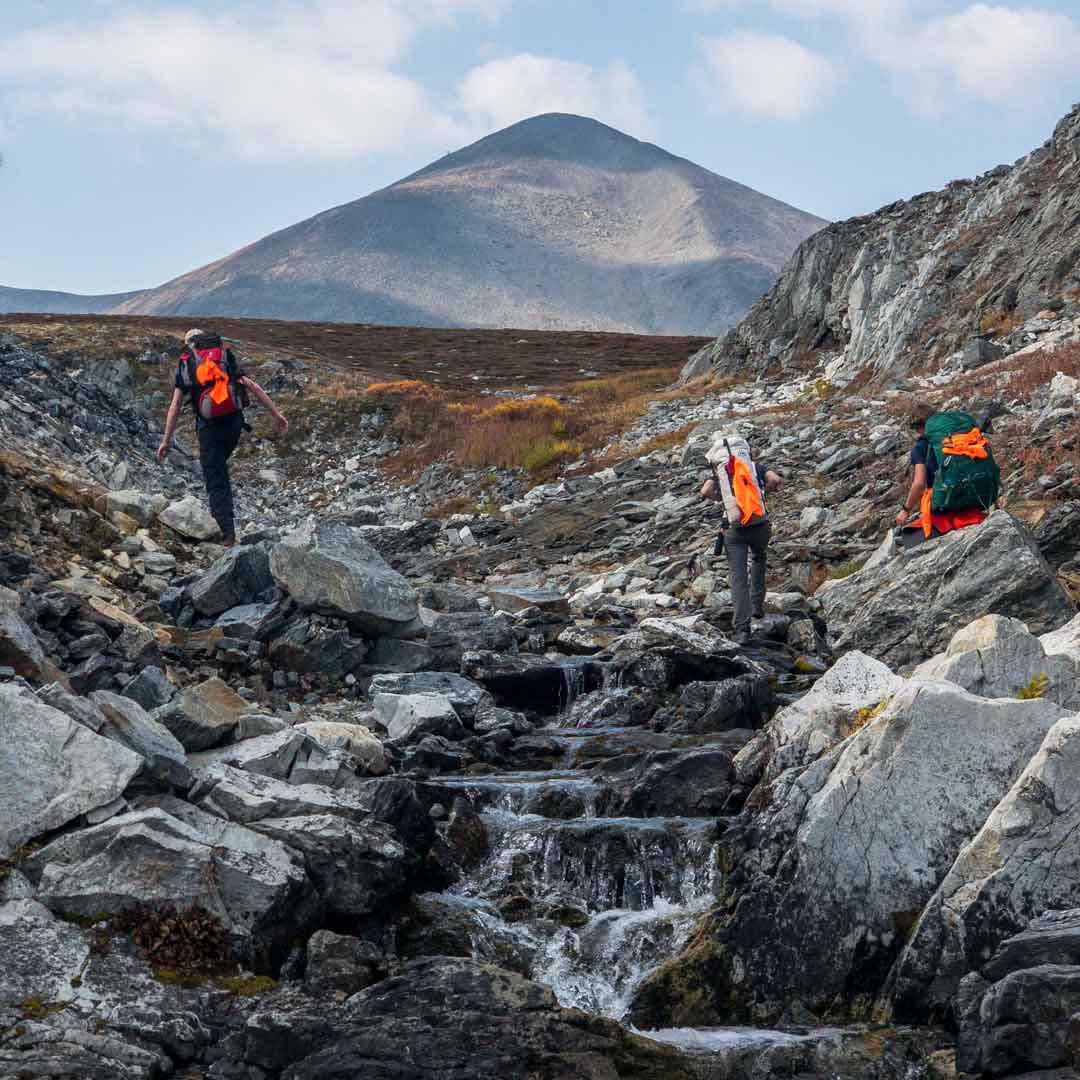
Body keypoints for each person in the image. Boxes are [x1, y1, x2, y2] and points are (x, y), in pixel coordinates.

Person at [157, 328, 288, 546]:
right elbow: (251, 386)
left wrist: (165, 440)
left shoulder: (187, 363)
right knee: (220, 467)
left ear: (190, 344)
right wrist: (277, 414)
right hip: (235, 422)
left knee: (216, 478)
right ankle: (225, 521)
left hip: (209, 427)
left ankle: (226, 534)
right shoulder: (224, 357)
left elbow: (176, 405)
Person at [701, 453, 784, 645]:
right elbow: (775, 479)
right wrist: (762, 495)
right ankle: (757, 606)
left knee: (737, 576)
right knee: (759, 557)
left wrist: (722, 501)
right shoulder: (756, 468)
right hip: (759, 525)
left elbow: (705, 491)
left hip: (733, 529)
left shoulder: (720, 473)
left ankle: (742, 630)